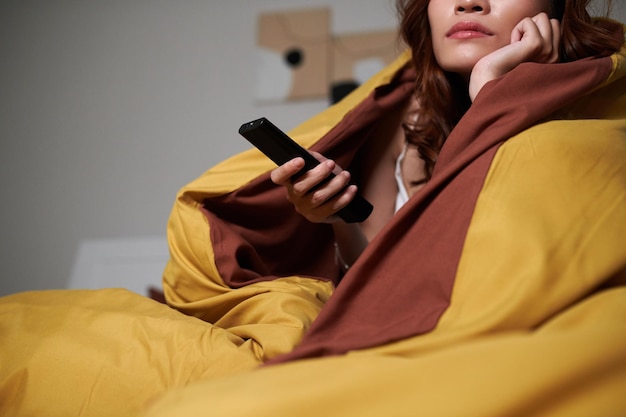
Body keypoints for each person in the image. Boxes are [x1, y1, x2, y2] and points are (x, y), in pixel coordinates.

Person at [1, 1, 624, 416]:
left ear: (554, 9)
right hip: (375, 327)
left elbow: (508, 261)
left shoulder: (601, 99)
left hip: (484, 335)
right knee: (36, 332)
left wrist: (502, 97)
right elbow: (396, 274)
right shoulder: (404, 111)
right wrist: (328, 220)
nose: (467, 1)